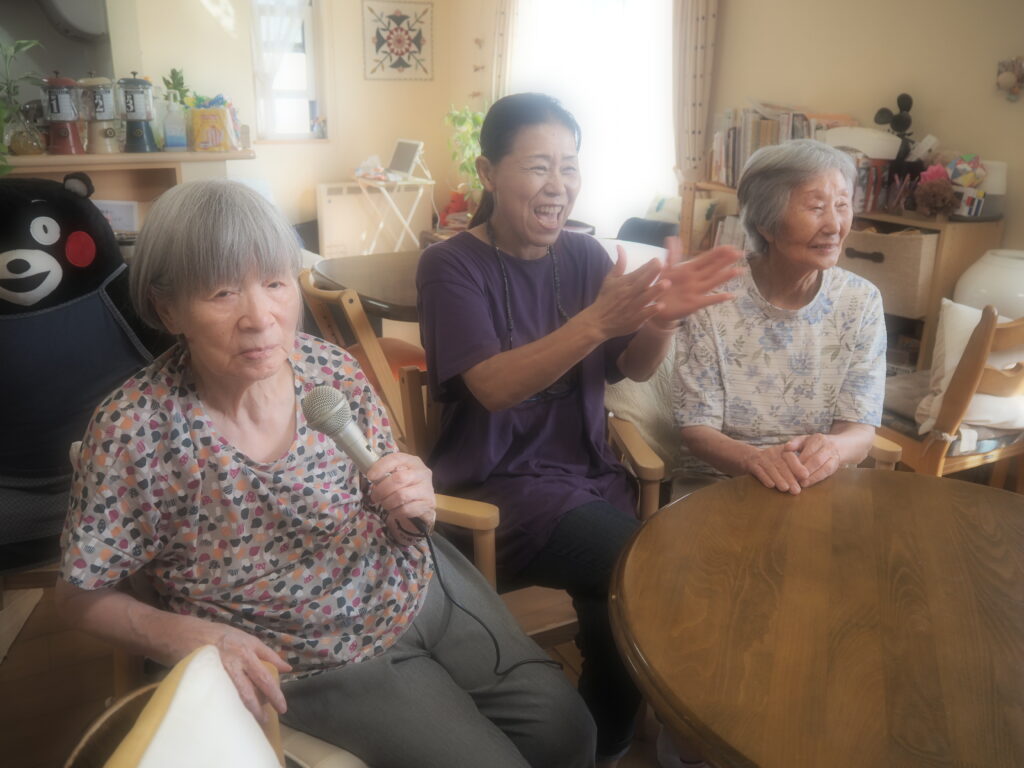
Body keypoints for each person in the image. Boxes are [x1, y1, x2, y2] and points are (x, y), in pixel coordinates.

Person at [56, 180, 597, 768]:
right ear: (168, 309)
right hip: (308, 653)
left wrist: (412, 498)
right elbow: (80, 595)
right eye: (221, 292)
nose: (260, 318)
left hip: (417, 582)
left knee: (568, 731)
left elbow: (389, 492)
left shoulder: (330, 370)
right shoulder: (136, 429)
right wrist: (187, 637)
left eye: (275, 283)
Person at [416, 92, 740, 766]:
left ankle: (592, 742)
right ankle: (599, 743)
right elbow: (492, 387)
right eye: (538, 166)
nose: (557, 185)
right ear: (488, 172)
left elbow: (629, 368)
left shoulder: (588, 257)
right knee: (638, 571)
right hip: (497, 488)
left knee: (625, 589)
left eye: (569, 166)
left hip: (587, 475)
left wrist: (662, 321)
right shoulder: (451, 265)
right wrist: (595, 321)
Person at [672, 139, 886, 498]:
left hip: (818, 485)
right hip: (720, 486)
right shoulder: (714, 297)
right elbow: (697, 430)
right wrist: (756, 460)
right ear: (766, 225)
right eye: (816, 207)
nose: (834, 225)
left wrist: (831, 449)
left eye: (842, 205)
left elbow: (860, 431)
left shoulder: (861, 302)